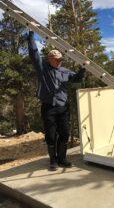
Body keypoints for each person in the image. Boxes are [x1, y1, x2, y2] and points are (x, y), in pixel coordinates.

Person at [27, 31, 90, 171]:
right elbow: (33, 53)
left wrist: (83, 68)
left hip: (63, 108)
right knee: (51, 135)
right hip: (48, 108)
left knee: (65, 134)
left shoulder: (65, 71)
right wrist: (31, 34)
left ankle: (62, 158)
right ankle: (53, 160)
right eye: (56, 60)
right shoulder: (43, 68)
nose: (59, 61)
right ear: (50, 59)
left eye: (60, 59)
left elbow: (77, 79)